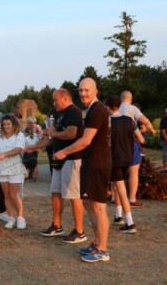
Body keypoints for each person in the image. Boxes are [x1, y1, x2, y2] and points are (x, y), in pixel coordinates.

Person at [54, 78, 112, 263]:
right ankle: (96, 243)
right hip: (90, 162)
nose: (83, 94)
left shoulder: (97, 110)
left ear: (96, 91)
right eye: (80, 90)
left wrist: (64, 151)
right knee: (87, 203)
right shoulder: (91, 109)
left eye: (87, 90)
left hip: (98, 164)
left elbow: (86, 140)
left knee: (98, 207)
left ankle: (103, 249)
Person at [25, 89, 86, 243]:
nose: (53, 103)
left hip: (72, 158)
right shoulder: (57, 113)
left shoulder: (74, 111)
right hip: (57, 158)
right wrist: (35, 146)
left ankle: (80, 231)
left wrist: (53, 133)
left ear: (65, 98)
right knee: (55, 192)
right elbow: (51, 138)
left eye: (55, 100)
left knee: (73, 196)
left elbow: (71, 133)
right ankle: (57, 225)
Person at [105, 96, 144, 234]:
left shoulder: (108, 122)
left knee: (120, 188)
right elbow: (141, 139)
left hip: (114, 159)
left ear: (108, 107)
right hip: (128, 158)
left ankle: (130, 222)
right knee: (117, 185)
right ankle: (118, 215)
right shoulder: (129, 120)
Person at [0, 114, 27, 229]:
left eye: (8, 124)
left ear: (13, 125)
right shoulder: (0, 137)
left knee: (14, 195)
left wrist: (5, 155)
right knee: (6, 195)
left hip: (15, 169)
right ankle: (11, 218)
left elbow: (18, 149)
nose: (6, 126)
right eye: (4, 124)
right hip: (2, 169)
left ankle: (20, 218)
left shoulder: (19, 135)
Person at [119, 91, 156, 207]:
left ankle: (115, 197)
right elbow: (145, 121)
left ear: (121, 99)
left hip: (117, 142)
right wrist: (152, 130)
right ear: (130, 99)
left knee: (117, 169)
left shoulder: (115, 109)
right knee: (134, 171)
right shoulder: (132, 109)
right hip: (131, 142)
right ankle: (131, 199)